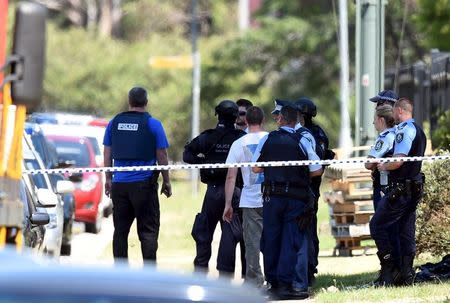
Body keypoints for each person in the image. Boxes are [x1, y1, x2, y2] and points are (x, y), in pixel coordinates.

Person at [252, 104, 322, 300]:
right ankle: (297, 286)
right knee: (295, 241)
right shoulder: (302, 140)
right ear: (296, 121)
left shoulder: (268, 139)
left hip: (272, 197)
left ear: (281, 119)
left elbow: (256, 169)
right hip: (296, 198)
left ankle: (275, 285)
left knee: (272, 240)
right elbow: (316, 170)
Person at [103, 86, 172, 262]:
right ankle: (149, 275)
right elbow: (162, 154)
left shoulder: (114, 123)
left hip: (120, 186)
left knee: (120, 232)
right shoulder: (153, 124)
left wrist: (108, 179)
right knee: (148, 233)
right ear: (146, 102)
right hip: (143, 187)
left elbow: (107, 153)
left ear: (129, 101)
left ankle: (121, 274)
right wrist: (167, 181)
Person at [183, 100, 246, 278]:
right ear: (235, 117)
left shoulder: (208, 136)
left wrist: (205, 163)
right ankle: (225, 278)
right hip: (234, 191)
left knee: (204, 231)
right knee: (230, 235)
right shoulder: (240, 138)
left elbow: (187, 155)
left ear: (217, 115)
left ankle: (201, 272)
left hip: (213, 191)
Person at [370, 98, 426, 286]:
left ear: (400, 111)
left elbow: (398, 161)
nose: (393, 116)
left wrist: (383, 166)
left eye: (394, 111)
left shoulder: (404, 131)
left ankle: (389, 269)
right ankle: (406, 274)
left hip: (400, 190)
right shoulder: (419, 130)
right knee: (405, 231)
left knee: (377, 225)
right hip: (414, 188)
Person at [222, 106, 267, 288]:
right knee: (273, 240)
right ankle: (275, 278)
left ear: (246, 121)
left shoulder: (238, 143)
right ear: (263, 120)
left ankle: (255, 282)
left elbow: (231, 176)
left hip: (249, 199)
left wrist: (227, 204)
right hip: (271, 196)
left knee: (252, 244)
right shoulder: (270, 138)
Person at [294, 97, 334, 285]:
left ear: (303, 115)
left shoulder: (308, 134)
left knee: (307, 229)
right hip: (309, 188)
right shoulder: (318, 133)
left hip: (307, 188)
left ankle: (308, 269)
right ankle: (306, 268)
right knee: (306, 228)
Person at [365, 105, 401, 283]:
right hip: (396, 188)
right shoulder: (398, 134)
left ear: (381, 120)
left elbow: (369, 163)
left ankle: (389, 269)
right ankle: (396, 269)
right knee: (393, 229)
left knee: (379, 227)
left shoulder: (385, 137)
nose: (373, 122)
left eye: (374, 119)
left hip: (384, 188)